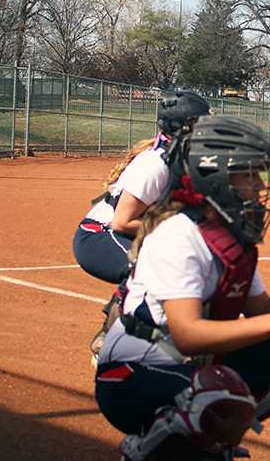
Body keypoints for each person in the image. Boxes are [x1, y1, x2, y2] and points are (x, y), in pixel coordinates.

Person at [94, 115, 270, 461]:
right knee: (219, 395)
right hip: (129, 374)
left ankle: (205, 438)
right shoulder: (178, 235)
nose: (258, 186)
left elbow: (261, 308)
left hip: (177, 363)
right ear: (217, 179)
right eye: (248, 174)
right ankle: (149, 446)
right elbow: (188, 335)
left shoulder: (228, 235)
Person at [73, 89, 210, 355]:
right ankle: (109, 336)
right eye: (199, 124)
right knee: (156, 265)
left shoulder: (183, 161)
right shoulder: (155, 166)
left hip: (125, 233)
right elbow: (121, 222)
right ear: (180, 127)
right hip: (98, 236)